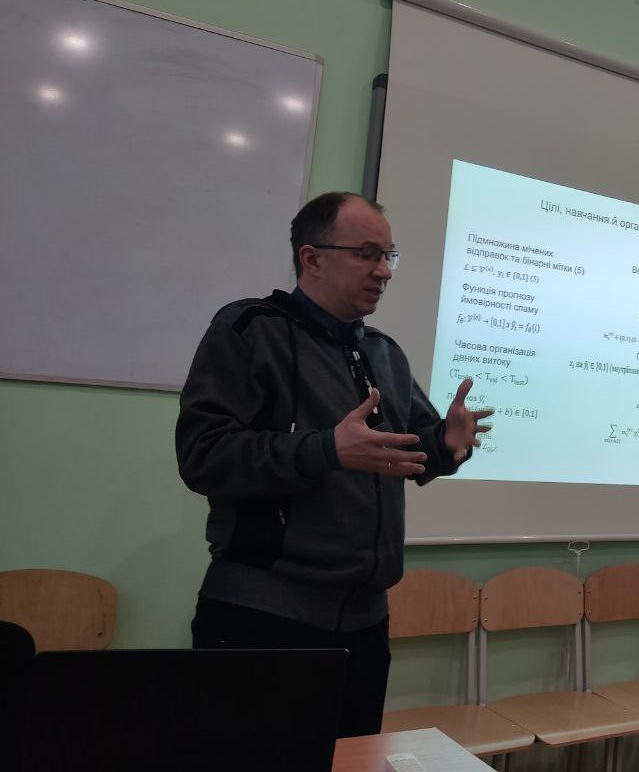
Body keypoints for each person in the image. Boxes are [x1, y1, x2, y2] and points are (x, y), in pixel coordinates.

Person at [176, 191, 490, 736]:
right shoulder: (250, 329)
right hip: (265, 618)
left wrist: (446, 443)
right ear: (312, 258)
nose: (383, 271)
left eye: (389, 256)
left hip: (365, 624)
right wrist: (326, 449)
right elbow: (204, 455)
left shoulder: (385, 353)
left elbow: (409, 449)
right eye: (367, 254)